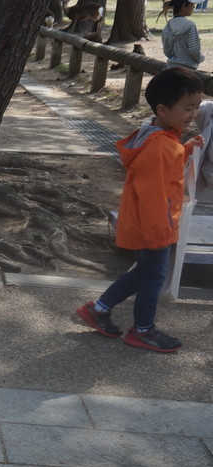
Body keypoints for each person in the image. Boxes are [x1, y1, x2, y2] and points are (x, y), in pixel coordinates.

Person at [76, 67, 204, 352]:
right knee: (154, 276)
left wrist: (184, 149)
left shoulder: (162, 137)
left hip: (150, 222)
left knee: (144, 272)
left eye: (196, 107)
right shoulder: (162, 147)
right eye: (187, 108)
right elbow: (154, 194)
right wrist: (159, 235)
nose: (193, 114)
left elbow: (164, 167)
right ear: (163, 108)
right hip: (155, 225)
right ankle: (143, 329)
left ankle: (99, 309)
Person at [161, 0, 203, 70]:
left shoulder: (168, 26)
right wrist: (200, 58)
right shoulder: (190, 25)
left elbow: (167, 50)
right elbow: (194, 49)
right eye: (192, 5)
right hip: (188, 68)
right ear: (184, 5)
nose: (194, 7)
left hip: (171, 67)